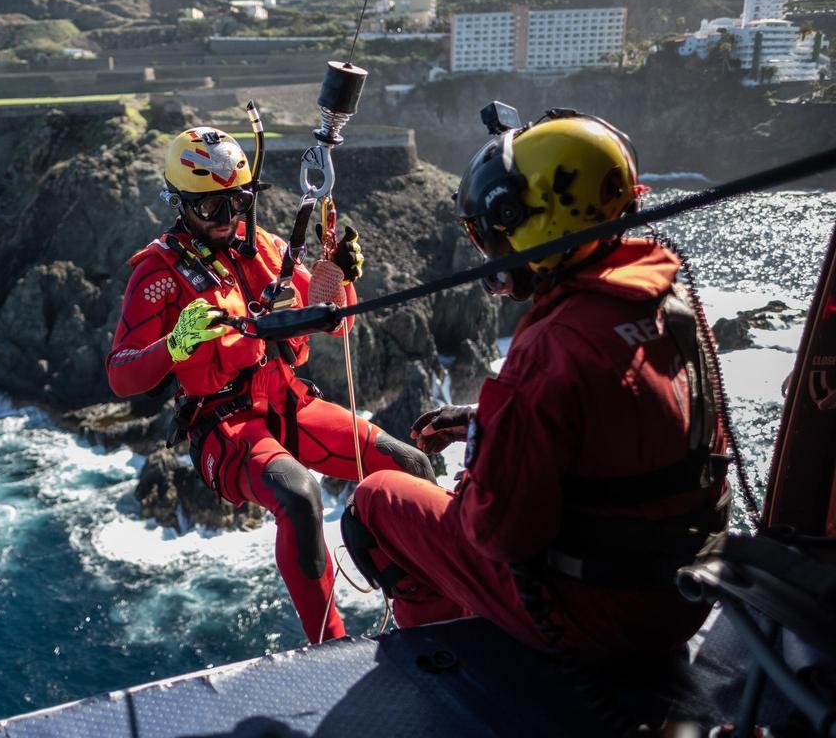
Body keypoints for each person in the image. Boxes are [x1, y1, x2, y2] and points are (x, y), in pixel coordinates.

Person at [341, 110, 731, 660]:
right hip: (686, 600)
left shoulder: (552, 346)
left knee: (374, 503)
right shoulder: (669, 305)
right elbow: (618, 433)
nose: (492, 258)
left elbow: (496, 533)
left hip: (599, 616)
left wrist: (486, 456)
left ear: (537, 223)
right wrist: (486, 422)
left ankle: (447, 665)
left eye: (494, 235)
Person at [107, 126, 434, 643]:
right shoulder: (159, 274)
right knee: (300, 497)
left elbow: (339, 320)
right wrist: (174, 344)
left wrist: (338, 277)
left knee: (410, 465)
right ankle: (329, 644)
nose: (226, 220)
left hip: (286, 401)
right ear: (180, 204)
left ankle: (436, 615)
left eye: (234, 204)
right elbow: (122, 374)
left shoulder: (262, 247)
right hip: (224, 426)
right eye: (210, 209)